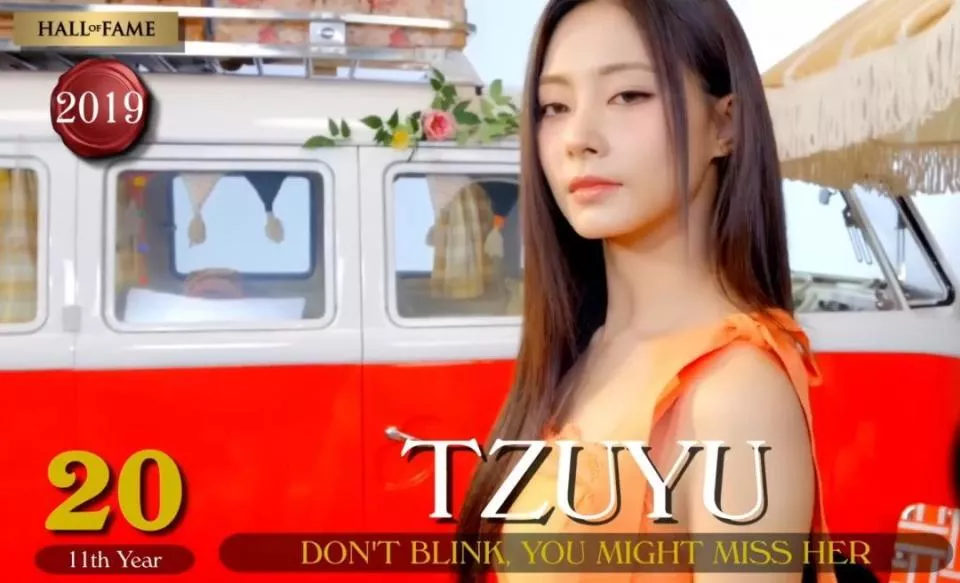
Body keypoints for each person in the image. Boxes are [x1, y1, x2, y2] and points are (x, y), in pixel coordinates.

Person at [454, 0, 837, 582]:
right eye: (555, 106)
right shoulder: (586, 351)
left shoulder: (732, 395)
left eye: (629, 95)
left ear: (725, 124)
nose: (578, 138)